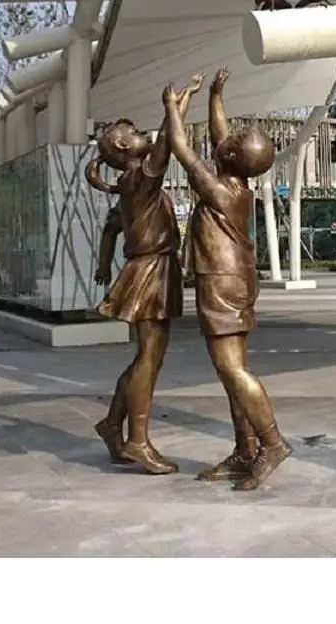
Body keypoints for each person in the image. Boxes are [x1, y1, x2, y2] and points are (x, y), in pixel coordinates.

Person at [163, 67, 291, 492]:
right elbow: (221, 138)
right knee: (231, 369)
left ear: (232, 158)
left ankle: (271, 443)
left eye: (233, 141)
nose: (226, 137)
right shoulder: (236, 184)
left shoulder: (219, 190)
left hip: (223, 282)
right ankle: (244, 449)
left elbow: (180, 147)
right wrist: (216, 96)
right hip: (230, 279)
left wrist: (172, 107)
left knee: (232, 368)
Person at [86, 74, 200, 474]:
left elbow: (110, 230)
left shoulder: (129, 186)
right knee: (149, 358)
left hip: (153, 268)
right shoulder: (140, 178)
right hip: (150, 269)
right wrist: (173, 105)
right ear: (122, 146)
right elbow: (169, 142)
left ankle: (112, 424)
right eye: (133, 133)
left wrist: (181, 104)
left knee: (146, 356)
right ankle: (137, 440)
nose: (141, 135)